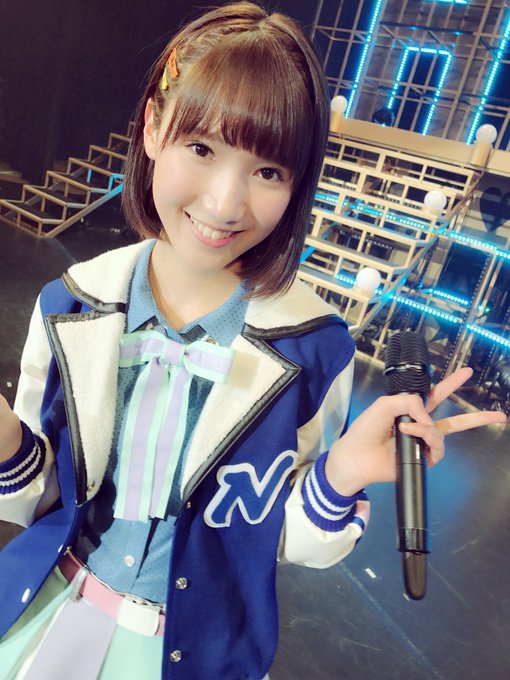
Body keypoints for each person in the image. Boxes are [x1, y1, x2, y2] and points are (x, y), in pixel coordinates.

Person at [0, 2, 505, 679]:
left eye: (268, 171)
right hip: (42, 614)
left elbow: (280, 536)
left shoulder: (315, 350)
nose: (224, 203)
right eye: (201, 149)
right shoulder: (69, 302)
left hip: (192, 655)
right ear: (152, 128)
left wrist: (341, 476)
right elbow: (38, 499)